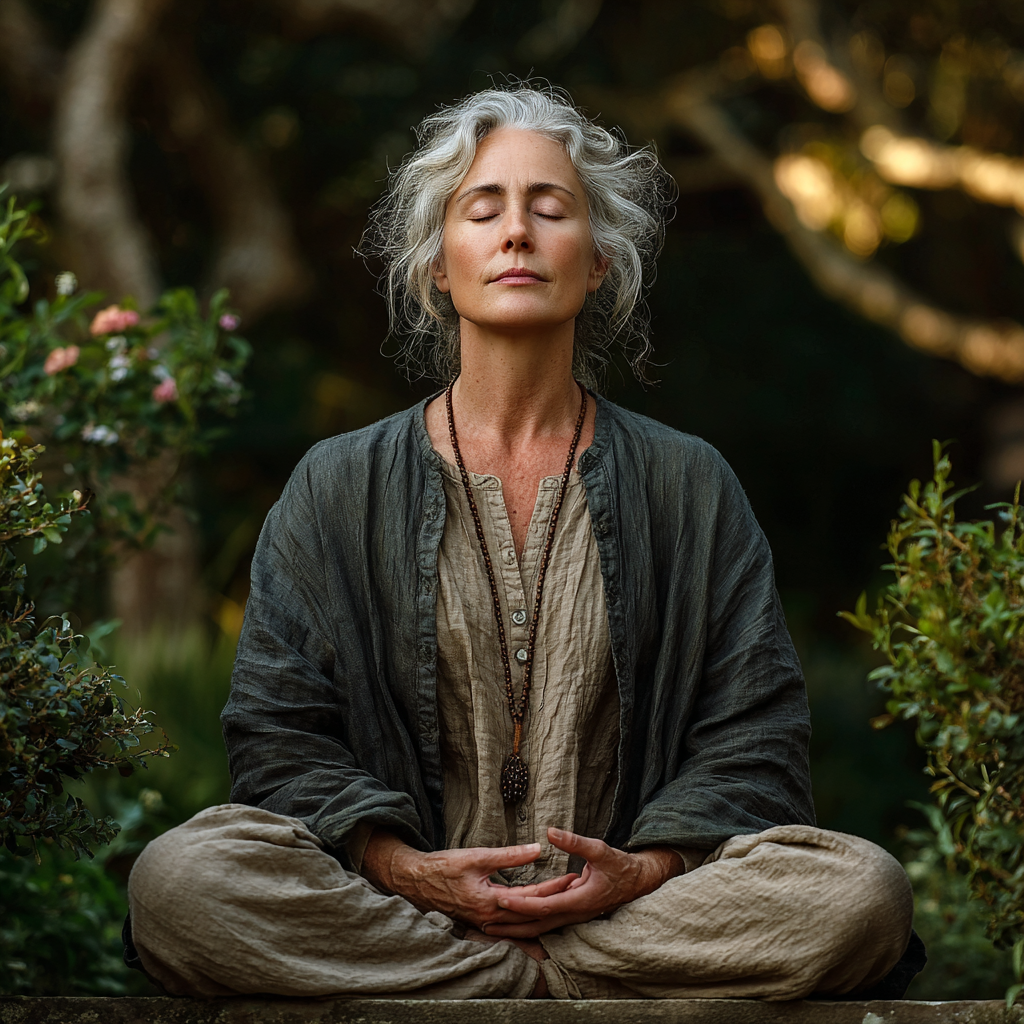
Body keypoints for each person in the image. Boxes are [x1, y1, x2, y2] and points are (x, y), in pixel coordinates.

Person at [125, 85, 923, 1001]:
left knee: (863, 893)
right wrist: (404, 872)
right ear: (437, 264)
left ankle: (498, 982)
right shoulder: (336, 484)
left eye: (551, 210)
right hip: (401, 908)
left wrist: (642, 872)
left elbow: (756, 740)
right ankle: (538, 984)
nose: (516, 234)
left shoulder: (688, 481)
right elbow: (279, 738)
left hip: (629, 917)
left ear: (598, 265)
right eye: (483, 209)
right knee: (179, 883)